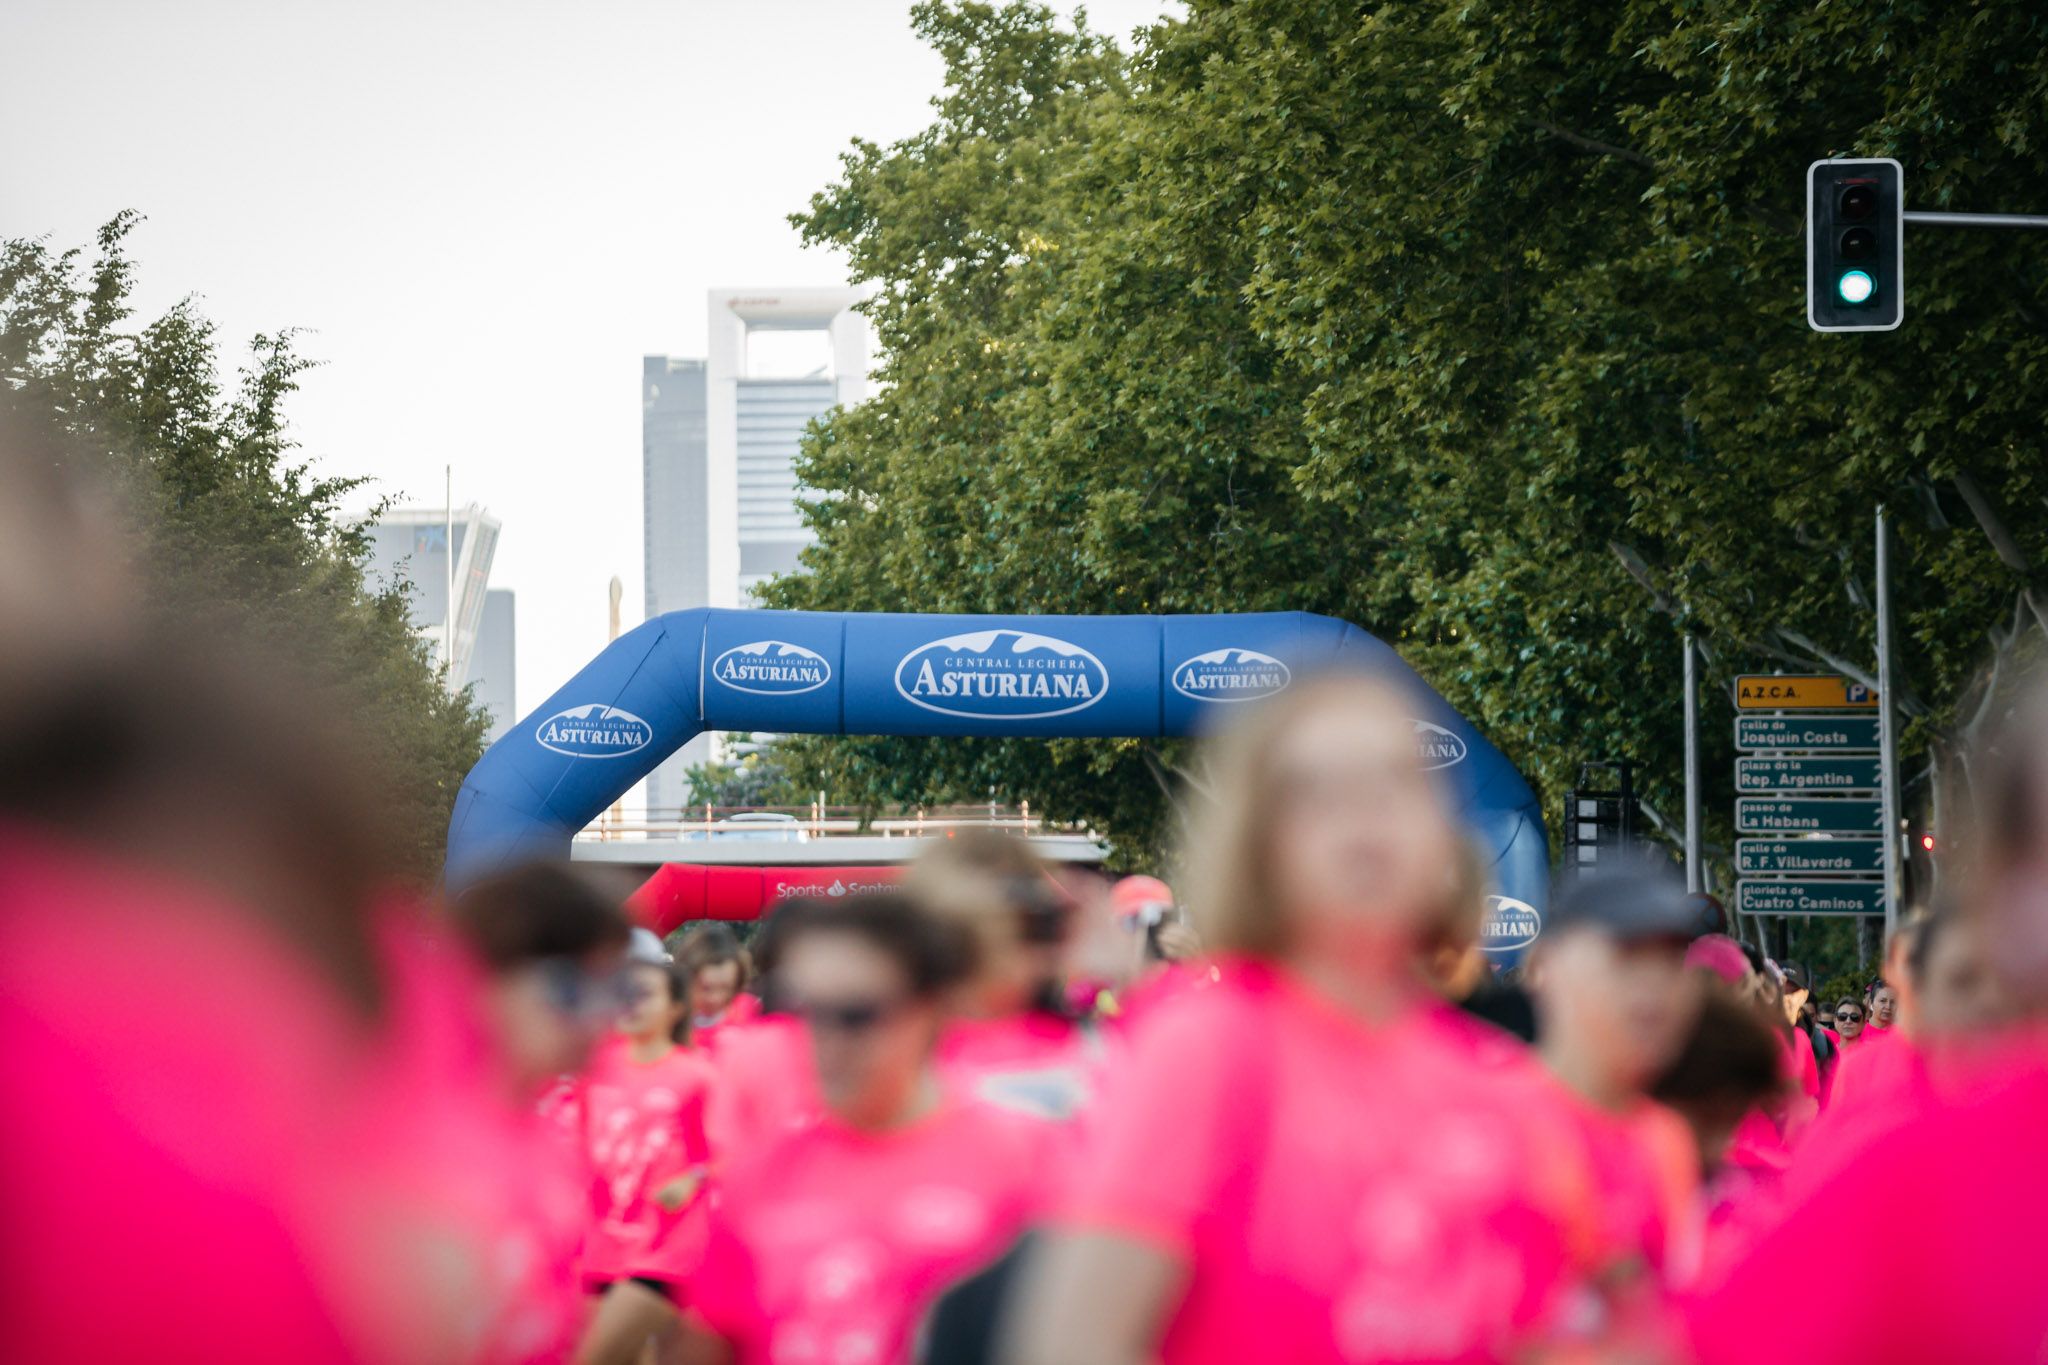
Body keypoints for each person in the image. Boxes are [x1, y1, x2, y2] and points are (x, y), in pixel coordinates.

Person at [1007, 673, 1610, 1365]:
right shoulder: (1206, 1049)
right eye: (1317, 793)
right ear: (1256, 840)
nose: (1364, 822)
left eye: (1395, 784)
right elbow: (1079, 1340)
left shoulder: (1490, 1082)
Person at [680, 893, 1050, 1365]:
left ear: (931, 1008)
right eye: (810, 1012)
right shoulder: (762, 1176)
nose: (826, 1041)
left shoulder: (1021, 1164)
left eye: (855, 1015)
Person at [1525, 865, 1705, 1285]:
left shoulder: (1667, 1142)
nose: (1654, 984)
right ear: (1543, 968)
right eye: (1626, 955)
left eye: (1671, 962)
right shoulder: (1483, 1129)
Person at [574, 946, 716, 1365]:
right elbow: (582, 1147)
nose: (632, 1004)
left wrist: (692, 1181)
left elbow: (728, 1155)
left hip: (664, 1246)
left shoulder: (697, 1075)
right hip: (599, 1242)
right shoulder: (596, 1067)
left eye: (646, 994)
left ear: (675, 1007)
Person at [677, 923, 760, 1048]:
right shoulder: (672, 1019)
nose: (715, 998)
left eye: (726, 988)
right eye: (706, 988)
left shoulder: (749, 1012)